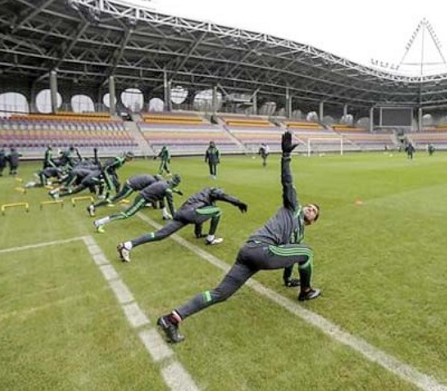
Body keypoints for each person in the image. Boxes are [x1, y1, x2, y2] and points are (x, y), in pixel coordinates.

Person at [156, 131, 321, 344]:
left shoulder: (297, 234)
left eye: (313, 211)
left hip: (250, 253)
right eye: (309, 206)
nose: (309, 209)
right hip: (261, 249)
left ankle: (172, 318)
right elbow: (287, 182)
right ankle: (305, 292)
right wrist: (285, 156)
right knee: (307, 252)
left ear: (313, 221)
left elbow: (289, 256)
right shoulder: (293, 208)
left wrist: (288, 279)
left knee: (220, 294)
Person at [116, 187, 248, 262]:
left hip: (181, 213)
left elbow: (199, 219)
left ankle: (127, 245)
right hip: (191, 214)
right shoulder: (211, 192)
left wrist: (198, 234)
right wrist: (237, 202)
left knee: (160, 234)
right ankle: (210, 239)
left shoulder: (200, 198)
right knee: (218, 211)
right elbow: (217, 199)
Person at [93, 174, 182, 233]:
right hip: (143, 199)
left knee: (126, 214)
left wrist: (176, 191)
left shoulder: (164, 183)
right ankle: (100, 222)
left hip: (142, 196)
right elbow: (171, 204)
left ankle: (100, 221)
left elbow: (167, 189)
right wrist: (175, 218)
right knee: (126, 214)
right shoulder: (168, 190)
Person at [87, 173, 163, 216]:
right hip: (130, 186)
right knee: (114, 200)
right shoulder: (152, 181)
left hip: (129, 182)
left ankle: (93, 206)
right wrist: (155, 205)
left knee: (115, 199)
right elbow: (150, 193)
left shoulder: (149, 177)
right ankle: (92, 207)